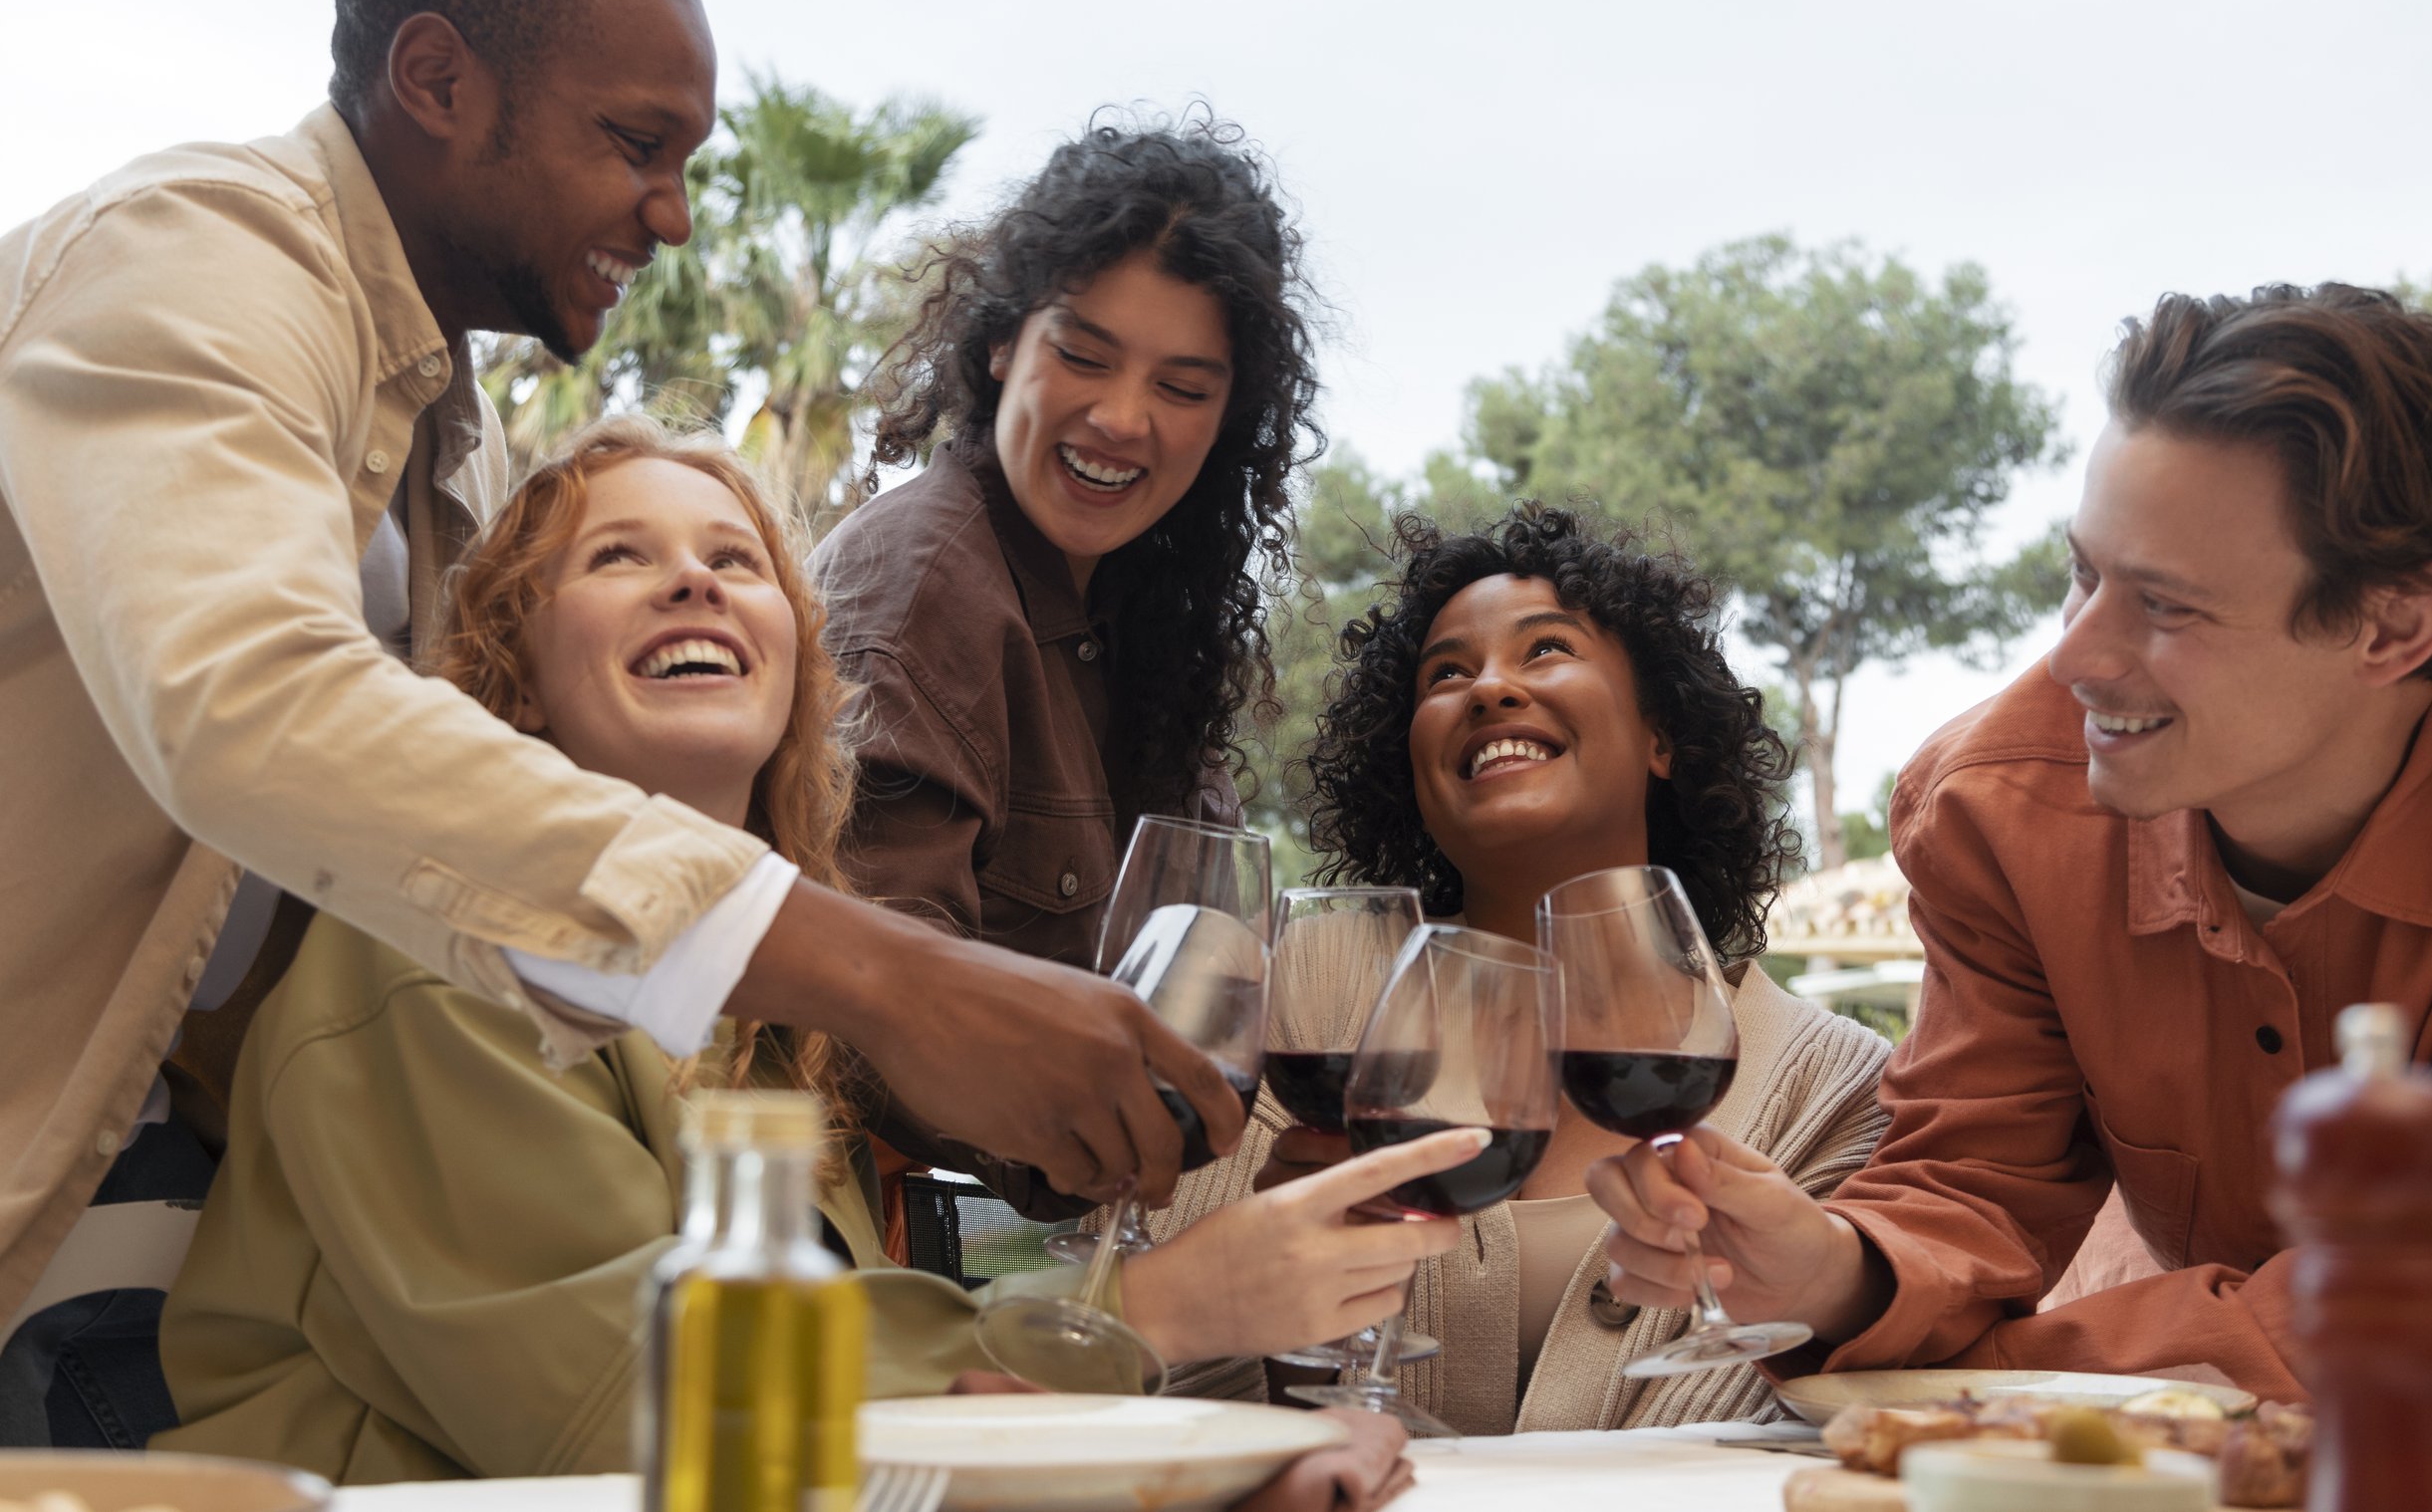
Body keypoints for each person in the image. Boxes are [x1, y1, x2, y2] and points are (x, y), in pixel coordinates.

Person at [0, 0, 1234, 1445]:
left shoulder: (424, 417)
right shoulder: (200, 257)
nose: (670, 209)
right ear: (435, 77)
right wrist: (891, 972)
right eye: (635, 144)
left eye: (737, 561)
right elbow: (248, 706)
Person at [150, 416, 1470, 1484]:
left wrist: (1220, 1474)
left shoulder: (763, 1019)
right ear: (515, 676)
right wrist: (1161, 1309)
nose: (694, 577)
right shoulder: (427, 956)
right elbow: (640, 1414)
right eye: (619, 555)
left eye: (738, 558)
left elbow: (848, 1427)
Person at [1590, 284, 2432, 1404]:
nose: (2073, 655)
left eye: (2165, 606)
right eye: (2083, 571)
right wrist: (1838, 1274)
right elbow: (1974, 1177)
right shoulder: (1995, 814)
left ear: (2395, 624)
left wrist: (1987, 1384)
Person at [1138, 507, 1891, 1434]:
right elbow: (1149, 1385)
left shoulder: (1834, 1083)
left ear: (1663, 737)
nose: (1489, 688)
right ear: (1409, 764)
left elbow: (1837, 1420)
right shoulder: (1304, 1001)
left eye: (1545, 651)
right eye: (1445, 672)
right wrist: (1307, 1328)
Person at [806, 114, 1320, 1210]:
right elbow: (874, 1000)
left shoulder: (1149, 610)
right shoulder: (919, 585)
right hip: (915, 1267)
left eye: (1182, 388)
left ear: (1228, 418)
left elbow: (1215, 966)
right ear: (1004, 345)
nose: (1121, 418)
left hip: (1099, 1242)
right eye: (1082, 355)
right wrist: (1103, 1120)